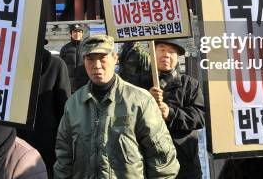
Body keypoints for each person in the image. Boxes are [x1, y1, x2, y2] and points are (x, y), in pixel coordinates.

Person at [54, 35, 180, 178]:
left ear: (115, 58)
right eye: (90, 59)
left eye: (102, 58)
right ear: (84, 61)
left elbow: (163, 160)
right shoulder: (74, 103)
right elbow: (64, 156)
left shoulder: (140, 100)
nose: (96, 65)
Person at [148, 39, 205, 179]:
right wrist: (146, 99)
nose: (166, 55)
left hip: (184, 164)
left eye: (172, 52)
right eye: (162, 50)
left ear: (178, 57)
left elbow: (200, 117)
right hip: (150, 163)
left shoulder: (190, 84)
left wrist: (171, 113)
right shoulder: (139, 83)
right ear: (152, 53)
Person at [17, 41, 70, 178]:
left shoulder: (57, 65)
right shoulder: (11, 64)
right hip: (23, 142)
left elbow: (64, 109)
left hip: (41, 143)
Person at [59, 24, 86, 92]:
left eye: (80, 32)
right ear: (71, 33)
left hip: (85, 84)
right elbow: (61, 66)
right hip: (69, 85)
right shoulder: (65, 48)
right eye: (75, 32)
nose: (77, 34)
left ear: (82, 34)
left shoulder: (87, 47)